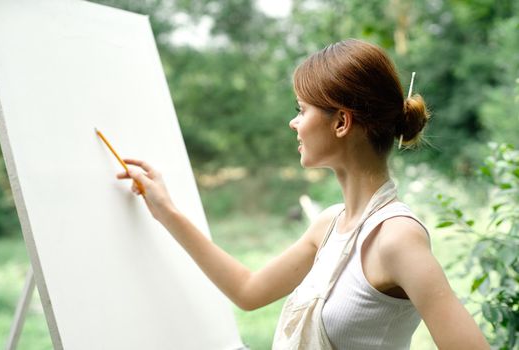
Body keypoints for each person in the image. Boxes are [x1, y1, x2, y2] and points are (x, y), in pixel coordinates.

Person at [117, 39, 490, 349]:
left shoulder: (396, 237)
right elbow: (247, 291)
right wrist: (166, 211)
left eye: (302, 109)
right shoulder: (328, 225)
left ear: (342, 122)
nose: (293, 122)